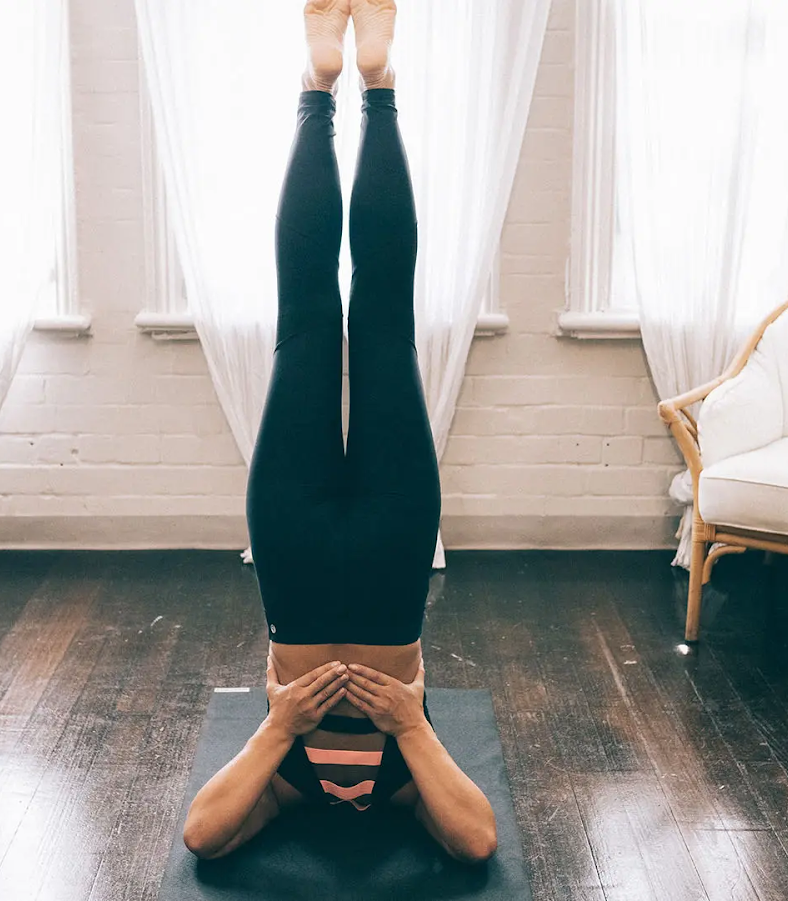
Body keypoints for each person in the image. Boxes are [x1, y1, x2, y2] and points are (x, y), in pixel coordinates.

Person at [180, 0, 497, 866]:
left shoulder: (281, 778)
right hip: (394, 553)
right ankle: (381, 85)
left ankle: (318, 89)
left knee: (310, 320)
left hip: (294, 554)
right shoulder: (408, 776)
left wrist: (280, 725)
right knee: (385, 324)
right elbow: (476, 840)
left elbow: (204, 834)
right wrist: (411, 726)